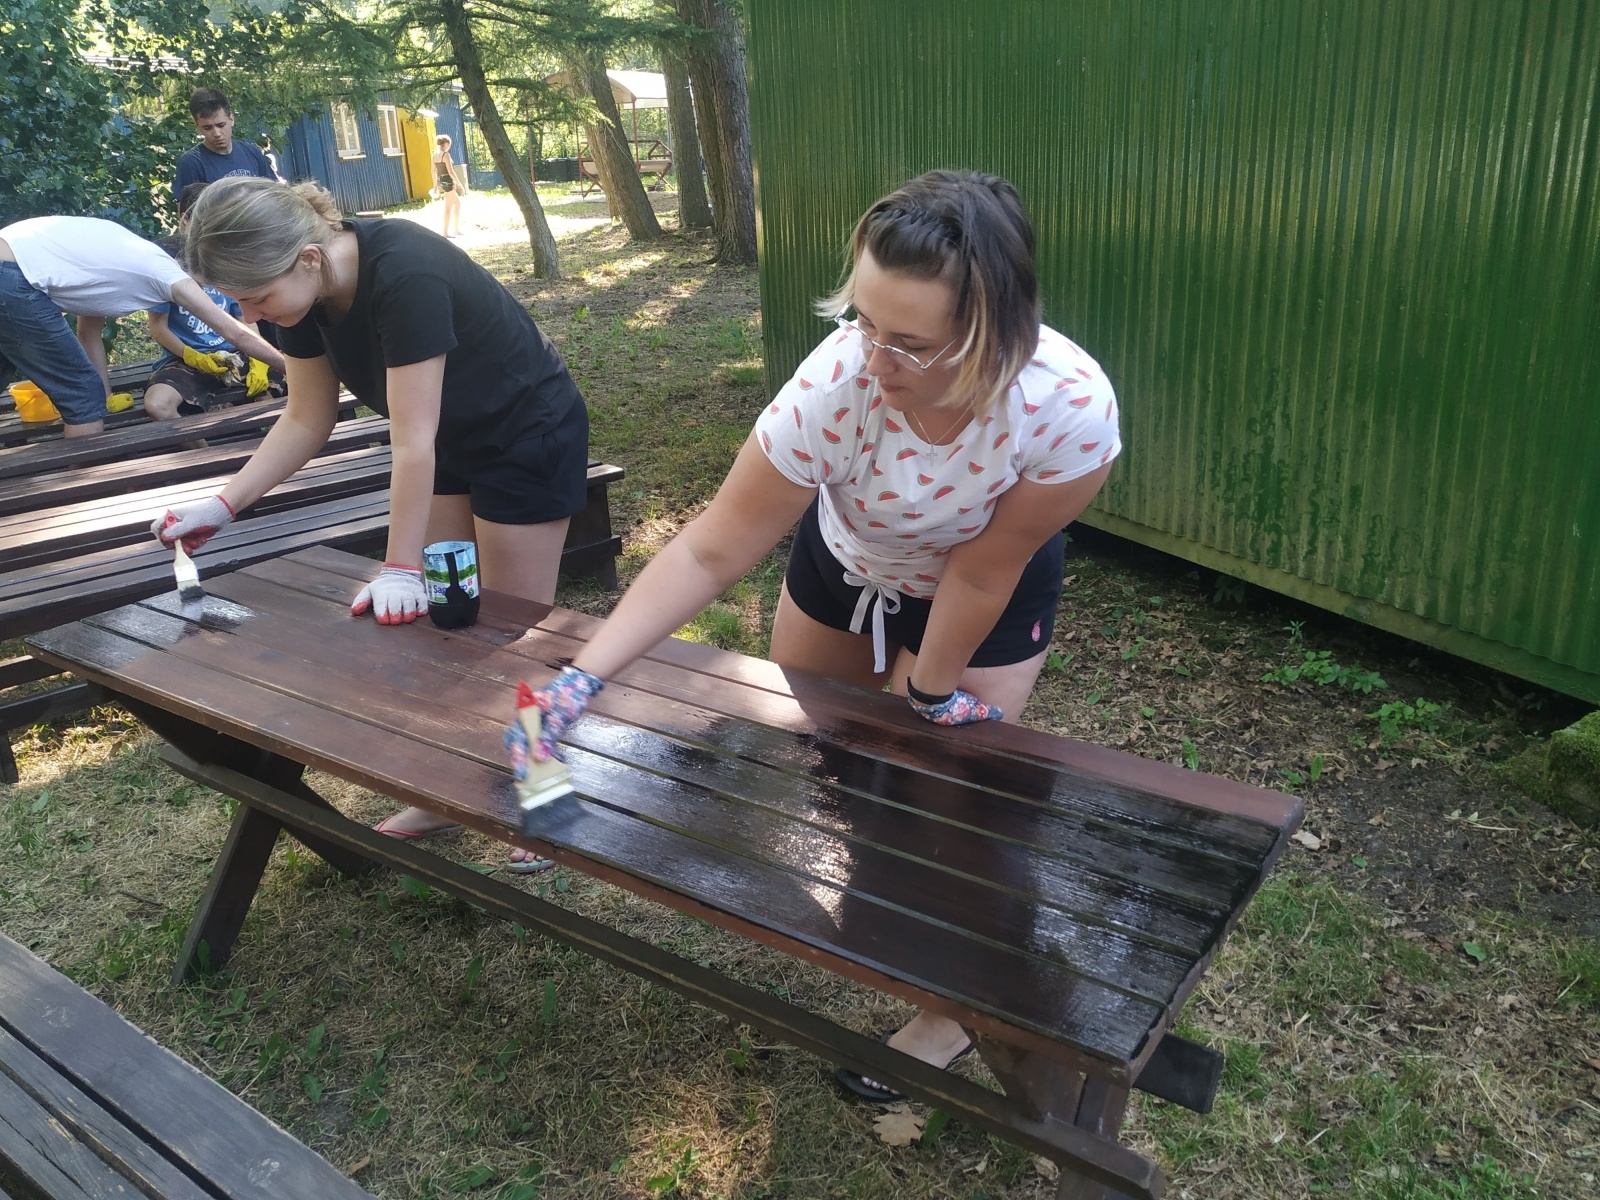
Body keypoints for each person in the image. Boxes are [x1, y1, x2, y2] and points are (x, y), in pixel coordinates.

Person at [504, 170, 1122, 1092]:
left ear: (996, 336)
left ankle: (950, 1014)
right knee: (829, 762)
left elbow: (983, 570)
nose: (873, 362)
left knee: (949, 807)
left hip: (980, 595)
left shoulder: (1069, 409)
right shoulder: (835, 384)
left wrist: (928, 695)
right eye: (861, 321)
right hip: (846, 568)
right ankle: (877, 915)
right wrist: (582, 678)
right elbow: (713, 550)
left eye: (909, 344)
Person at [155, 178, 590, 866]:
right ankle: (454, 784)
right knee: (455, 623)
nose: (249, 314)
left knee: (515, 630)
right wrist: (225, 504)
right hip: (449, 441)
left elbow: (412, 441)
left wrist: (398, 566)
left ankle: (539, 794)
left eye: (255, 298)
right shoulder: (302, 296)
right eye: (238, 301)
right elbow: (306, 416)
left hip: (525, 435)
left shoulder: (405, 273)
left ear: (306, 257)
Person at [0, 215, 285, 438]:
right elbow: (233, 331)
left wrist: (107, 395)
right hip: (13, 276)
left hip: (12, 261)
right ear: (181, 264)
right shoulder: (167, 273)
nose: (203, 288)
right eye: (203, 281)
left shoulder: (114, 263)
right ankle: (83, 498)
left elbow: (88, 334)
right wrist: (292, 367)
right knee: (83, 396)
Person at [143, 186, 284, 420]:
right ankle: (205, 453)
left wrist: (259, 359)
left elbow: (245, 320)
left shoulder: (227, 260)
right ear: (185, 219)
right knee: (157, 404)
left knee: (275, 389)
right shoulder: (167, 258)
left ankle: (260, 447)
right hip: (185, 358)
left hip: (235, 352)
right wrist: (193, 357)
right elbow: (159, 326)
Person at [175, 89, 278, 196]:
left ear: (231, 119)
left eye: (221, 125)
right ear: (197, 127)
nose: (216, 133)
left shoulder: (252, 153)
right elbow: (185, 211)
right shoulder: (191, 163)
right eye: (207, 127)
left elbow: (275, 195)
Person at [432, 135, 469, 239]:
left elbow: (433, 171)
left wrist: (435, 185)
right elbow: (451, 171)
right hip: (448, 181)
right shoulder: (446, 155)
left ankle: (456, 229)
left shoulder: (434, 155)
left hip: (441, 181)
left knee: (457, 203)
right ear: (446, 144)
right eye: (449, 144)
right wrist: (459, 184)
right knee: (448, 207)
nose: (449, 147)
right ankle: (445, 232)